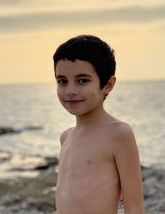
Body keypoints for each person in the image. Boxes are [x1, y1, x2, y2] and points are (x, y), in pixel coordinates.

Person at [53, 35, 144, 214]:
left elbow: (134, 207)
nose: (70, 90)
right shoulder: (66, 137)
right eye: (62, 81)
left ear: (108, 85)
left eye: (82, 80)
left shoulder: (118, 134)